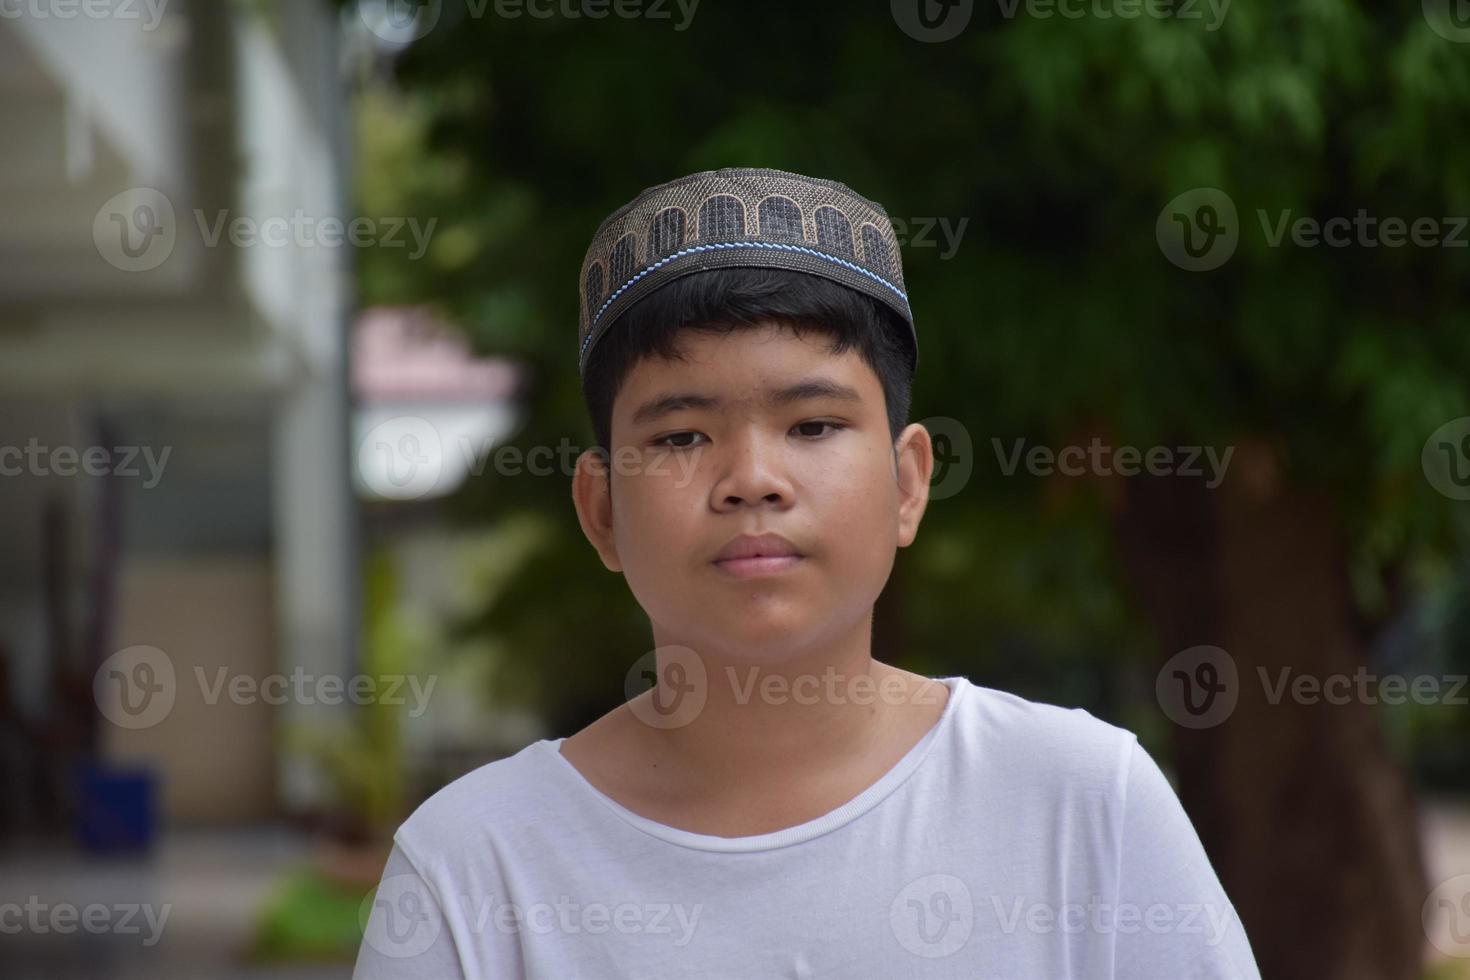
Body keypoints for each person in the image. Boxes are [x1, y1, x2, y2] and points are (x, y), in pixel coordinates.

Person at [353, 167, 1262, 978]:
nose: (752, 479)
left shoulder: (1081, 802)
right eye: (681, 436)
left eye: (813, 426)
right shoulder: (474, 871)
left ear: (908, 483)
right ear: (601, 512)